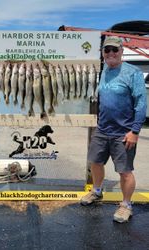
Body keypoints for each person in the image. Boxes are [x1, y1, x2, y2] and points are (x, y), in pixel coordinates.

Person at [80, 36, 147, 223]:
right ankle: (97, 191)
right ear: (102, 53)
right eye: (106, 50)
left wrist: (134, 131)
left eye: (114, 50)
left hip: (123, 133)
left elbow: (141, 104)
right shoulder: (103, 71)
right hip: (102, 129)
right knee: (94, 162)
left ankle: (126, 205)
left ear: (121, 51)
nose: (110, 53)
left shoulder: (132, 72)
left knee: (125, 172)